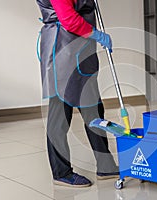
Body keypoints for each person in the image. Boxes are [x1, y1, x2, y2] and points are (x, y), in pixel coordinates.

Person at [36, 0, 118, 187]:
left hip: (81, 49)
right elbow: (69, 19)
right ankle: (61, 172)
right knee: (60, 116)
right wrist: (97, 35)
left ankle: (106, 165)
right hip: (62, 51)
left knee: (94, 110)